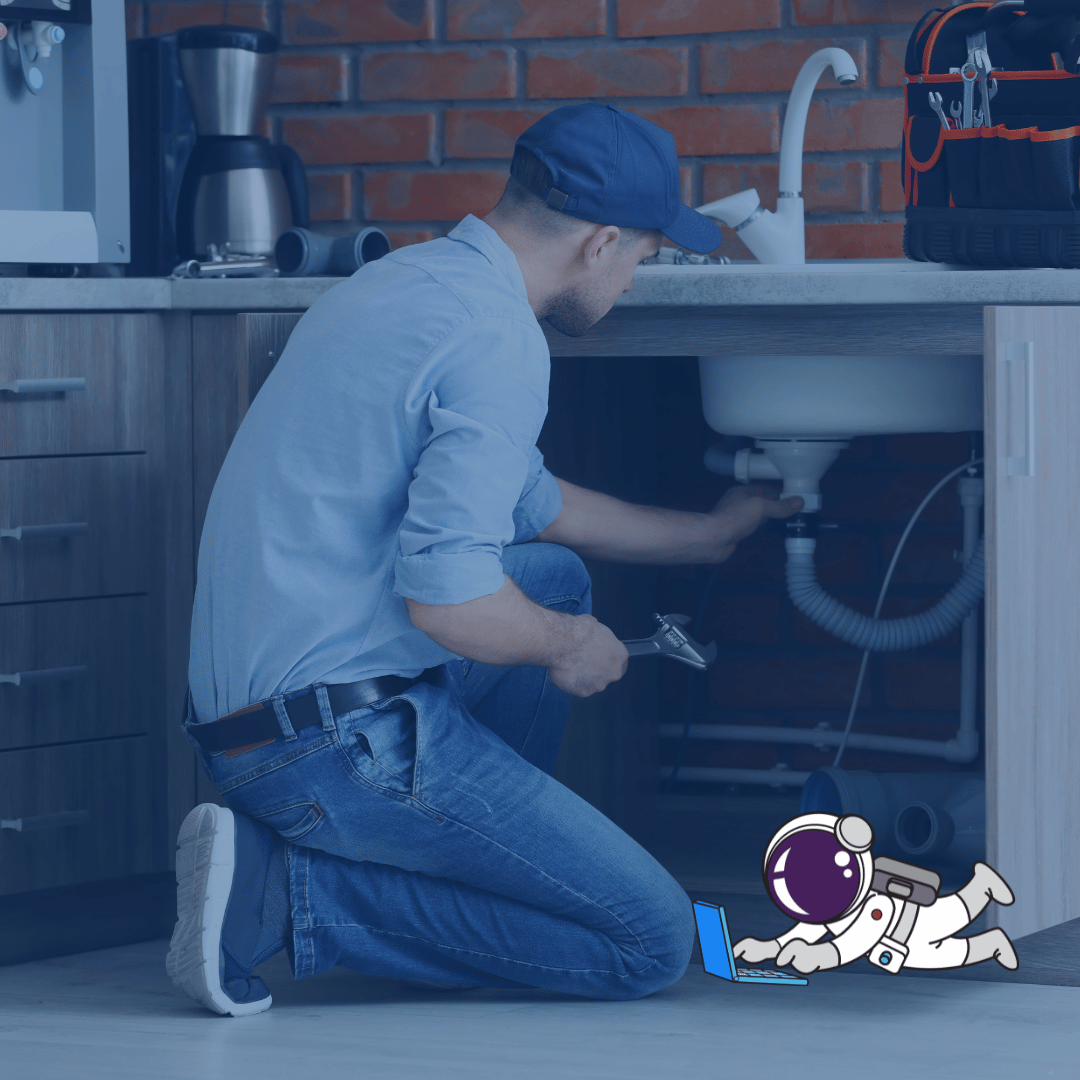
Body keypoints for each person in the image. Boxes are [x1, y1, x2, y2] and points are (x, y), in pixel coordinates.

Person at [165, 102, 805, 1017]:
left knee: (550, 576)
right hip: (327, 747)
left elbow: (532, 504)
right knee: (649, 941)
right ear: (601, 244)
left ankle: (466, 862)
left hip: (251, 719)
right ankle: (285, 893)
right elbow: (451, 605)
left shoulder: (413, 283)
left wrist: (705, 535)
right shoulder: (499, 340)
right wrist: (566, 646)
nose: (633, 280)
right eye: (644, 258)